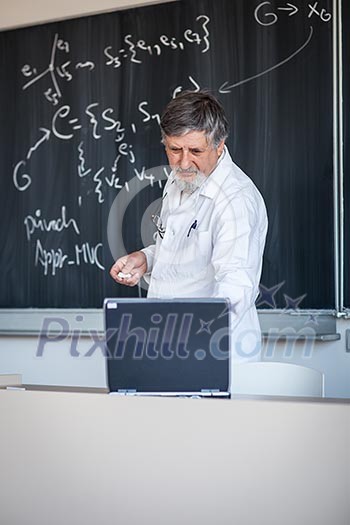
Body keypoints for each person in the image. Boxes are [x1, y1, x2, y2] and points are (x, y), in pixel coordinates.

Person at [110, 90, 268, 380]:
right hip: (165, 345)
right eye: (174, 149)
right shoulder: (181, 178)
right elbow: (181, 245)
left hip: (212, 353)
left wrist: (191, 343)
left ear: (220, 145)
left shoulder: (236, 201)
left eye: (195, 151)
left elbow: (236, 288)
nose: (183, 162)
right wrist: (146, 258)